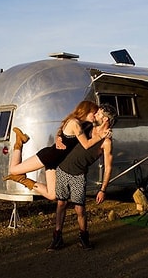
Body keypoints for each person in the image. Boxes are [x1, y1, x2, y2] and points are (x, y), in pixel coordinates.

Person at [3, 100, 111, 201]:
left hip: (55, 162)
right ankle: (19, 142)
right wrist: (101, 136)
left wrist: (58, 138)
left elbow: (61, 131)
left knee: (52, 195)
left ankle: (23, 180)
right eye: (94, 113)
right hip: (49, 156)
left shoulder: (83, 124)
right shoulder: (74, 123)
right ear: (87, 111)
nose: (95, 115)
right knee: (13, 170)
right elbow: (86, 145)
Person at [47, 103, 117, 251]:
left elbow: (108, 167)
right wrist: (59, 137)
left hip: (78, 175)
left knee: (79, 209)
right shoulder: (86, 126)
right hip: (63, 169)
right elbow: (67, 126)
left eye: (99, 113)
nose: (95, 114)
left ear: (106, 120)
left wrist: (103, 189)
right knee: (61, 204)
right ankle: (57, 237)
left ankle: (84, 237)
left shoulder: (107, 142)